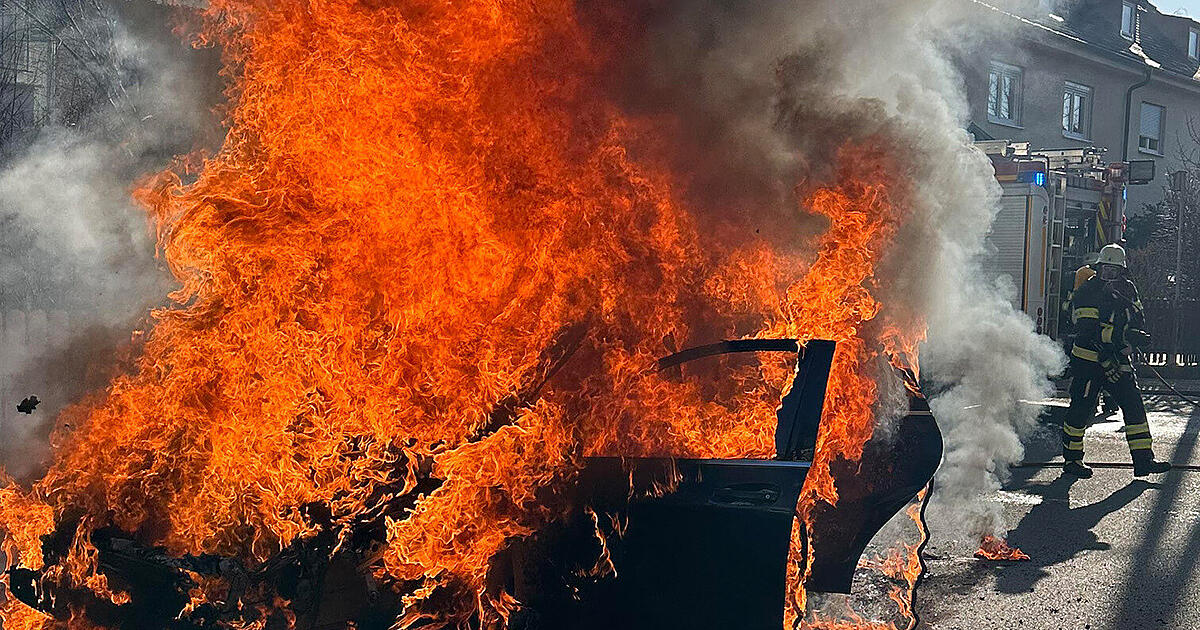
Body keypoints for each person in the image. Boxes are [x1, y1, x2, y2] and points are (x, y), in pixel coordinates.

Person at [1061, 243, 1169, 478]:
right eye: (1105, 270)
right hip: (1088, 362)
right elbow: (1087, 331)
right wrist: (1111, 351)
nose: (1109, 274)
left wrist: (1136, 336)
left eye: (1114, 270)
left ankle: (1144, 461)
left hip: (1118, 360)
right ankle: (1072, 461)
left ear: (1122, 271)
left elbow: (1137, 317)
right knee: (1081, 410)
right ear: (1098, 268)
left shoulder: (1127, 289)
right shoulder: (1087, 291)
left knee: (1134, 406)